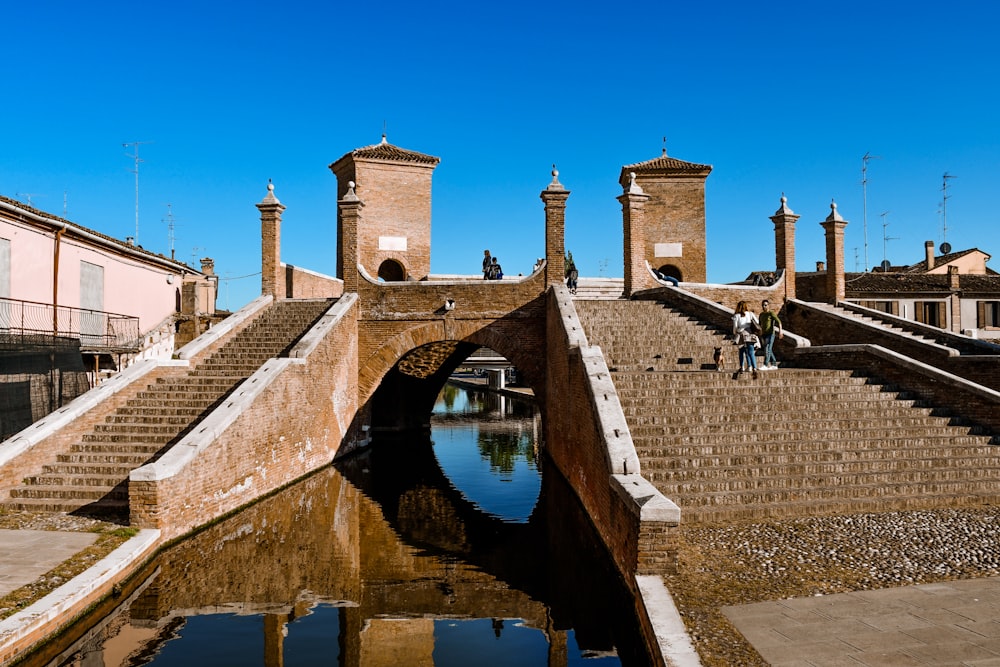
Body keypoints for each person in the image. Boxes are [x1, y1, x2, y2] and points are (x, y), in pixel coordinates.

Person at [731, 300, 760, 379]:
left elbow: (735, 327)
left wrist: (735, 333)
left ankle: (742, 367)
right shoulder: (750, 314)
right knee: (751, 352)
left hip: (741, 334)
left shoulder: (736, 316)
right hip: (750, 334)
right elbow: (757, 322)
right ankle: (754, 368)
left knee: (741, 351)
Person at [759, 299, 783, 370]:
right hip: (764, 334)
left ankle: (765, 364)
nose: (764, 306)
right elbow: (760, 324)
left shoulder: (771, 313)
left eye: (765, 305)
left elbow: (779, 322)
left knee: (767, 349)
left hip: (770, 334)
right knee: (769, 349)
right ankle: (774, 364)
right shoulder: (761, 314)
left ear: (768, 305)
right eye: (763, 305)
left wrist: (780, 331)